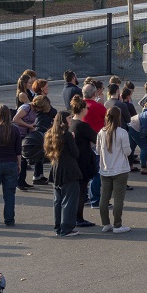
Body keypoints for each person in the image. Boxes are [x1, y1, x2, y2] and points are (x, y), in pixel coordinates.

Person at [44, 111, 81, 237]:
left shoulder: (50, 134)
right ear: (64, 120)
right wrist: (73, 140)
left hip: (55, 168)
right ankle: (67, 228)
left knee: (58, 200)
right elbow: (75, 153)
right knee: (69, 200)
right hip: (68, 169)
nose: (71, 120)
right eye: (69, 118)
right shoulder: (67, 135)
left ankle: (58, 226)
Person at [98, 106, 131, 234]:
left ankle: (106, 223)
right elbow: (127, 152)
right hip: (120, 169)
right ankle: (117, 224)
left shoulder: (101, 132)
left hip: (105, 168)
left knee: (104, 197)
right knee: (118, 199)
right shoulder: (122, 132)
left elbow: (97, 150)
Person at [67, 96, 97, 228]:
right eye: (86, 108)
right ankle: (78, 217)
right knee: (81, 191)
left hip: (74, 161)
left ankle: (74, 216)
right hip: (83, 161)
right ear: (82, 109)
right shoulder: (82, 125)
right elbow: (96, 139)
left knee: (75, 191)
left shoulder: (71, 124)